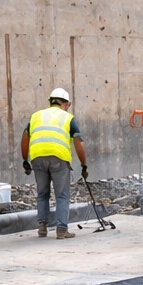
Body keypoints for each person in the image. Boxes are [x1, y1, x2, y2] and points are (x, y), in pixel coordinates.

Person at [21, 88, 89, 239]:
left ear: (50, 101)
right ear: (65, 103)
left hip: (37, 157)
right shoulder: (68, 118)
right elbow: (79, 142)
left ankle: (42, 228)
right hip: (59, 158)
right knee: (62, 195)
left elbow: (25, 137)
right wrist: (84, 165)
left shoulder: (36, 116)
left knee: (42, 193)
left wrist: (25, 160)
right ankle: (61, 230)